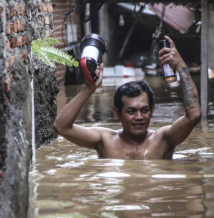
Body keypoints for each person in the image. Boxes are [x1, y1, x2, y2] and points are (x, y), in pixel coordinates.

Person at [53, 36, 201, 159]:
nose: (139, 117)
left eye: (144, 110)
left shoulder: (163, 139)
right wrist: (89, 89)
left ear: (152, 110)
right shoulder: (105, 140)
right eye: (131, 111)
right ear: (117, 113)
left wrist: (182, 68)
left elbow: (193, 115)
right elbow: (61, 126)